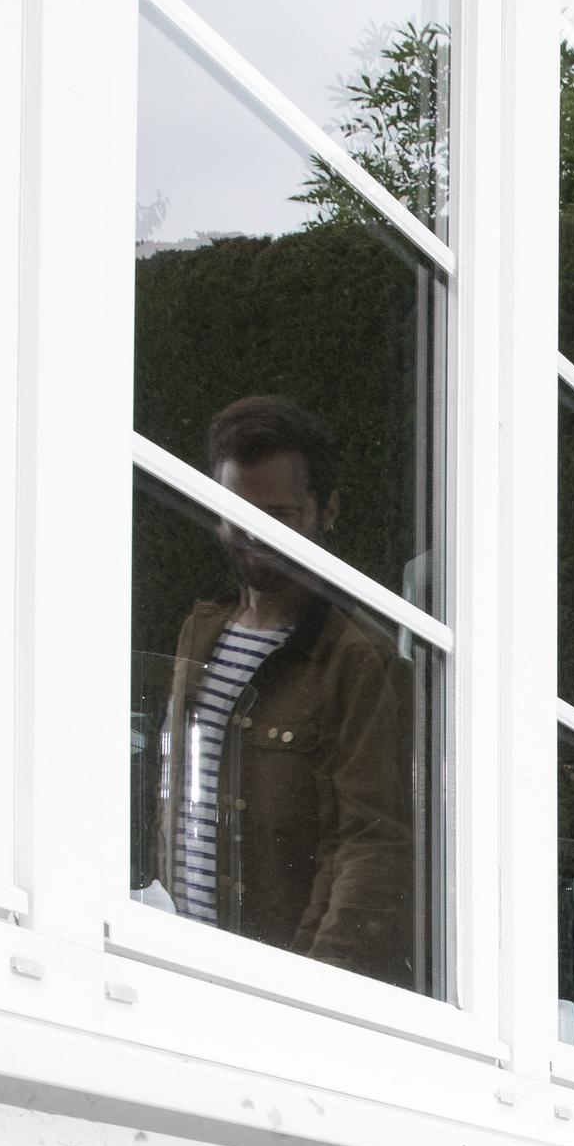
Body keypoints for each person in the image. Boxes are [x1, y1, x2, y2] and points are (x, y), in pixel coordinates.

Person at [147, 395, 418, 990]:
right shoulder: (200, 630)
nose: (255, 534)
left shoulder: (359, 660)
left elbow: (372, 848)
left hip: (272, 993)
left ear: (328, 512)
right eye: (234, 511)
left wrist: (314, 993)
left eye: (283, 514)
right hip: (174, 967)